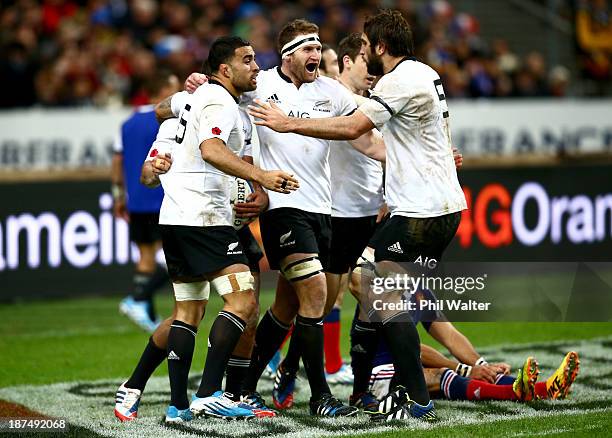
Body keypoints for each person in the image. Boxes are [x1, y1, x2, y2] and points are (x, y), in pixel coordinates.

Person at [249, 9, 467, 422]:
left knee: (371, 291)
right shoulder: (418, 75)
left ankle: (406, 395)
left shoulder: (394, 82)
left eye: (367, 45)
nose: (362, 52)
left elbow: (355, 130)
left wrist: (289, 124)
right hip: (397, 208)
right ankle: (380, 390)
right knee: (352, 296)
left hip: (416, 210)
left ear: (381, 48)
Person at [139, 36, 299, 423]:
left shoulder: (205, 98)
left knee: (188, 310)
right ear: (225, 69)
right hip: (204, 216)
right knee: (243, 298)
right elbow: (212, 149)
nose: (256, 66)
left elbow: (160, 110)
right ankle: (210, 393)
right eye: (247, 60)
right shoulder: (219, 101)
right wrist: (261, 176)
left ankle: (178, 406)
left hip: (179, 216)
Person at [114, 104, 276, 421]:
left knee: (241, 309)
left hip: (231, 223)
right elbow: (147, 174)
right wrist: (154, 168)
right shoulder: (178, 123)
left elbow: (249, 167)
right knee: (225, 305)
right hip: (201, 224)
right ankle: (205, 394)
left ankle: (221, 395)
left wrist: (261, 196)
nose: (254, 68)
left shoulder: (242, 116)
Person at [111, 71, 180, 332]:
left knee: (146, 256)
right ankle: (139, 300)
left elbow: (117, 162)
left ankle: (146, 312)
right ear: (161, 89)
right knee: (174, 254)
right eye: (173, 88)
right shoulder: (164, 119)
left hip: (136, 201)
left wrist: (119, 195)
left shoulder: (127, 123)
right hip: (161, 197)